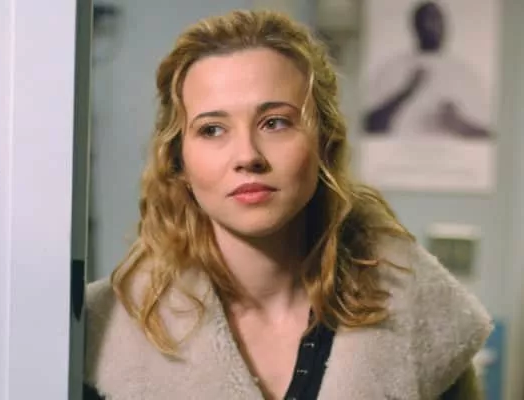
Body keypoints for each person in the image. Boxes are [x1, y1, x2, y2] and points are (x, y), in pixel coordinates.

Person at [83, 9, 492, 400]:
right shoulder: (104, 336)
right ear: (179, 160)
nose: (248, 156)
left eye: (275, 122)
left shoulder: (419, 317)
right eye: (212, 129)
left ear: (324, 142)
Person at [363, 1, 491, 139]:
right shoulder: (393, 68)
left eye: (437, 20)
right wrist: (406, 91)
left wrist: (459, 125)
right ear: (414, 26)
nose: (432, 26)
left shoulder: (464, 73)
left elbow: (489, 135)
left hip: (453, 152)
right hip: (398, 151)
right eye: (426, 19)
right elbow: (369, 126)